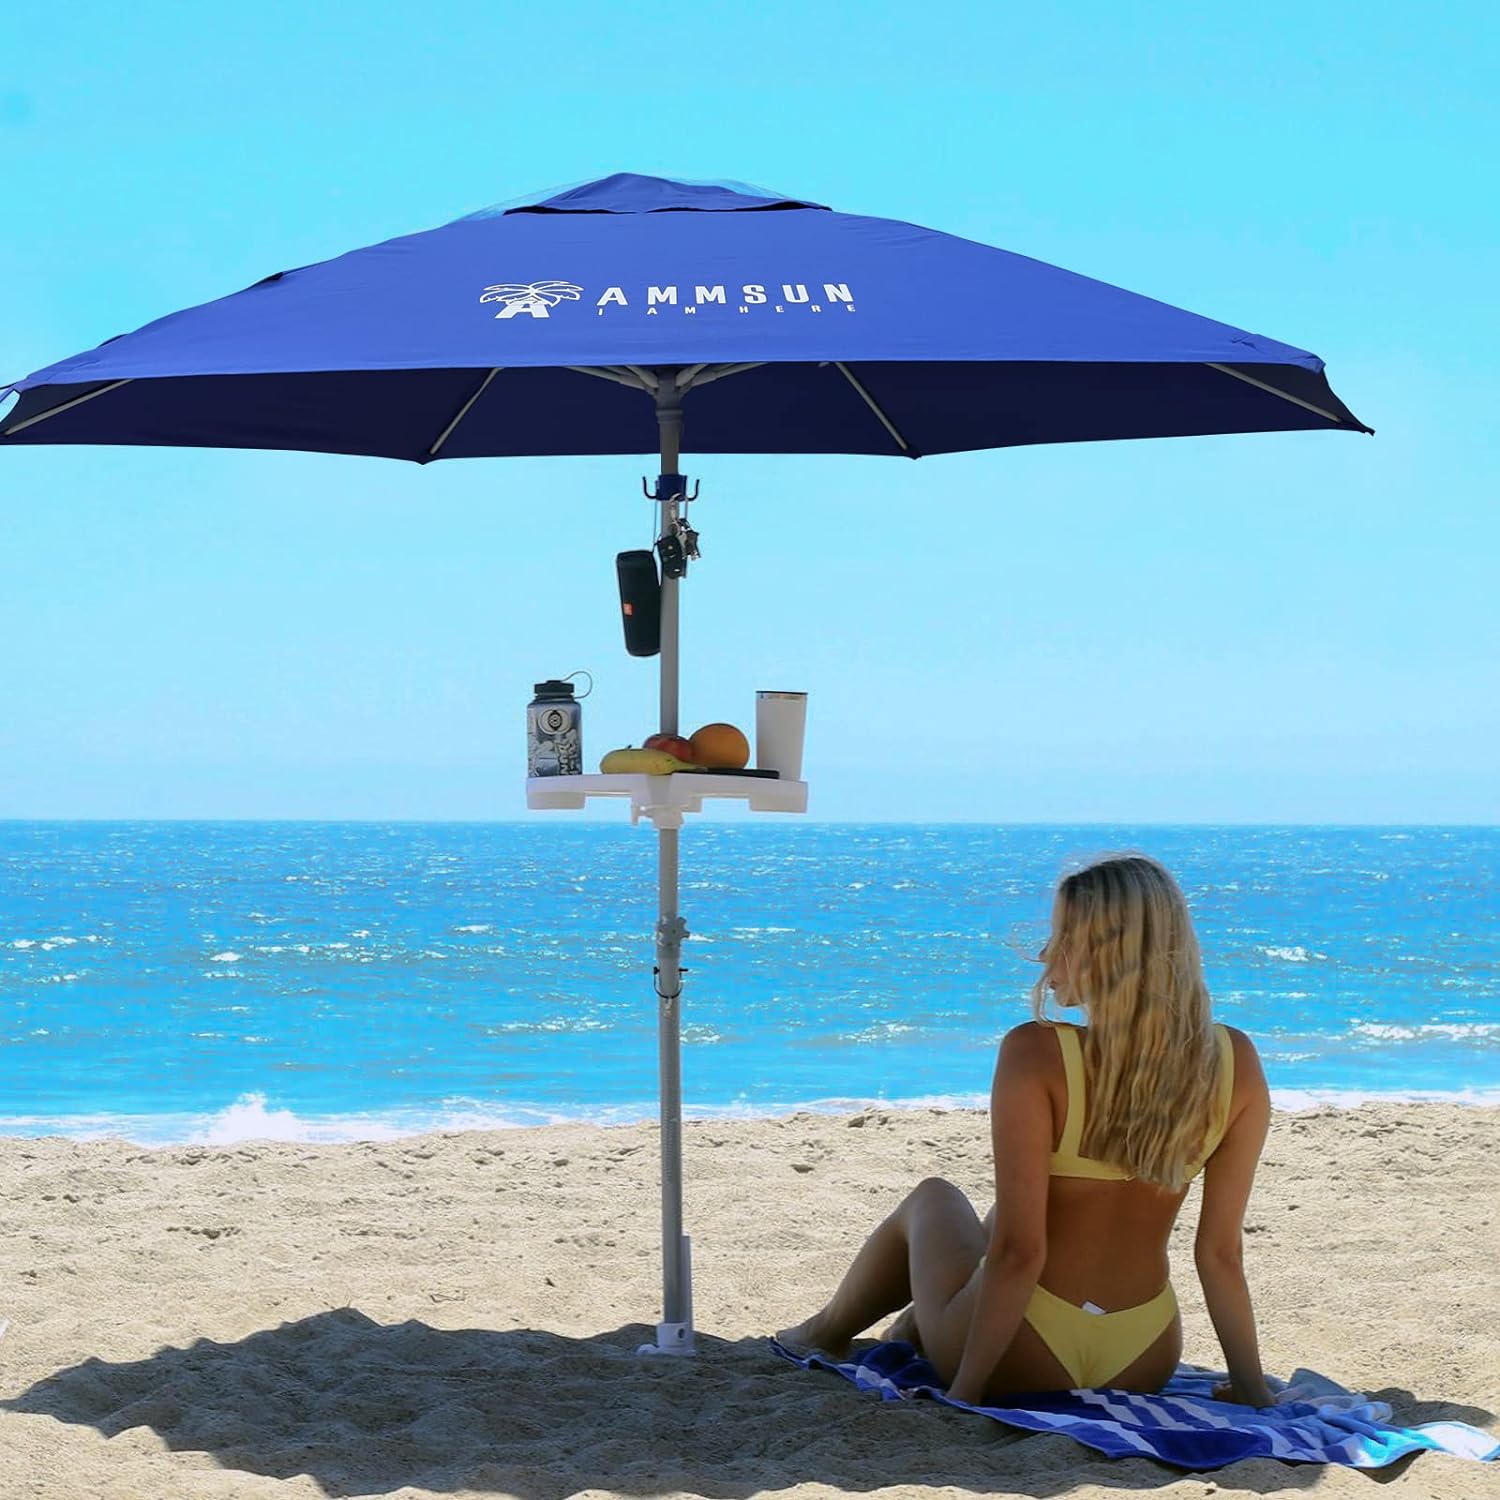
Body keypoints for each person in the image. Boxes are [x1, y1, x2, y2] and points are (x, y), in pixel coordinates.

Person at [777, 854, 1275, 1407]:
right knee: (1000, 1218)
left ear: (1103, 951)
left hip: (1025, 1350)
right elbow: (1221, 1253)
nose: (1044, 954)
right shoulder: (1235, 1062)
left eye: (1060, 936)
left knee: (934, 1200)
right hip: (1143, 1354)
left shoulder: (1037, 1053)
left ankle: (823, 1333)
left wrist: (966, 1392)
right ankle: (917, 1323)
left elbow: (1020, 1253)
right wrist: (1251, 1388)